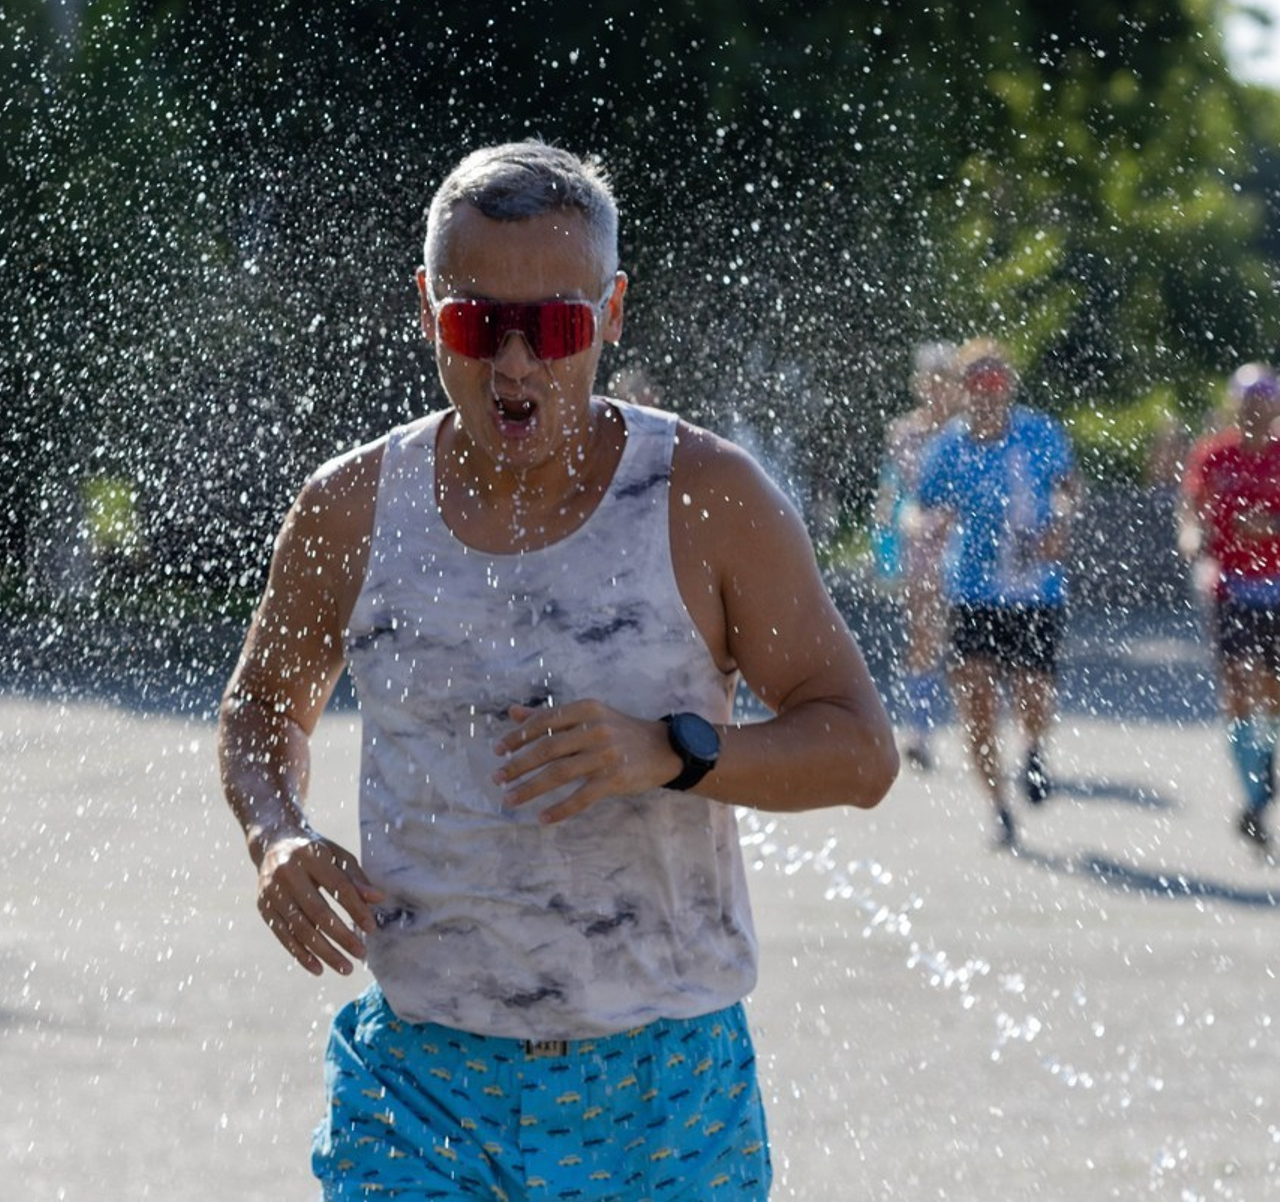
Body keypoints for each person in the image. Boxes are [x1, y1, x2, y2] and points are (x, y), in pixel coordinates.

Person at [218, 139, 899, 1199]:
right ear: (426, 309)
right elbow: (262, 703)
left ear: (611, 313)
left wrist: (670, 751)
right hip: (420, 1086)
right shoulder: (349, 508)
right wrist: (276, 833)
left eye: (555, 326)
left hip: (663, 1090)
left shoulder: (705, 499)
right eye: (475, 323)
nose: (515, 364)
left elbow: (859, 750)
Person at [916, 337, 1080, 850]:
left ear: (1009, 385)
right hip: (971, 588)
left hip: (1034, 589)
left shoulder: (1039, 432)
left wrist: (1061, 523)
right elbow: (921, 504)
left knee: (1033, 691)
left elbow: (1068, 487)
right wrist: (928, 525)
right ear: (961, 389)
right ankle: (999, 807)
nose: (987, 391)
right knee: (977, 706)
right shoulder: (948, 446)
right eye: (977, 381)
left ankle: (1032, 749)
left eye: (997, 380)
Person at [1179, 362, 1280, 856]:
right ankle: (1255, 795)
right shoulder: (1214, 453)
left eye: (1264, 402)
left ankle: (1265, 767)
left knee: (1273, 691)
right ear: (1235, 407)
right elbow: (1191, 508)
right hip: (1231, 587)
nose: (1255, 412)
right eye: (1247, 404)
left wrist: (1271, 527)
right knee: (1237, 687)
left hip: (1277, 589)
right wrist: (1191, 537)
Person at [872, 341, 960, 770]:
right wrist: (884, 544)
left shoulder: (966, 432)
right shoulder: (905, 432)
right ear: (921, 385)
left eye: (946, 381)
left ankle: (972, 724)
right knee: (923, 634)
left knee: (965, 642)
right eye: (933, 381)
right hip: (921, 544)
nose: (939, 390)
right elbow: (893, 490)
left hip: (965, 546)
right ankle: (919, 728)